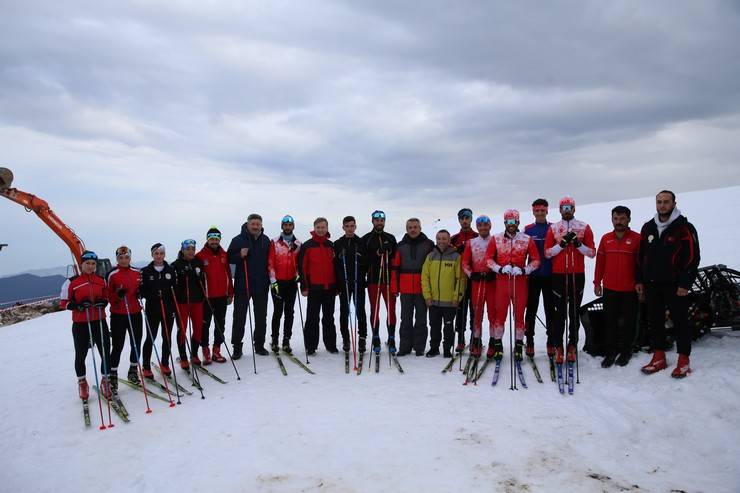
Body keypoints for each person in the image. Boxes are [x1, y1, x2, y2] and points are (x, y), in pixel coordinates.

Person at [636, 190, 700, 378]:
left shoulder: (684, 228)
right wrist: (640, 279)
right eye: (659, 202)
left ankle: (683, 359)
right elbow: (641, 257)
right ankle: (659, 356)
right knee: (655, 321)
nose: (662, 205)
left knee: (680, 321)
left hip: (675, 285)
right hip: (652, 284)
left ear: (673, 203)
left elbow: (692, 258)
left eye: (666, 202)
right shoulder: (648, 227)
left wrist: (685, 283)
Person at [544, 196, 596, 365]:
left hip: (577, 274)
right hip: (558, 275)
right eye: (564, 208)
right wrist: (561, 245)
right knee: (559, 314)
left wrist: (578, 244)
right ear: (559, 210)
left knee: (573, 312)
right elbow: (547, 253)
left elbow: (591, 253)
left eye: (569, 208)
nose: (567, 211)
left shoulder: (583, 227)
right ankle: (559, 347)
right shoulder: (554, 228)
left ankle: (572, 346)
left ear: (574, 209)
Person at [486, 210, 540, 362]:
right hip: (502, 283)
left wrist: (524, 270)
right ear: (505, 222)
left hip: (520, 283)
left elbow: (536, 260)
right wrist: (500, 268)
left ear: (518, 222)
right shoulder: (496, 239)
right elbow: (488, 259)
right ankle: (498, 345)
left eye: (514, 221)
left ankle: (518, 346)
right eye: (508, 222)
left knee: (519, 317)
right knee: (500, 316)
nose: (511, 224)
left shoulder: (527, 239)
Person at [593, 206, 641, 368]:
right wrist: (596, 282)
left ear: (628, 219)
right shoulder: (606, 239)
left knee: (629, 322)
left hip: (630, 289)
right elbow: (600, 263)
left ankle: (626, 351)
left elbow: (642, 265)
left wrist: (641, 285)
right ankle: (611, 352)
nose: (618, 222)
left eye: (622, 218)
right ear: (612, 219)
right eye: (616, 218)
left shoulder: (637, 239)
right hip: (610, 288)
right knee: (610, 322)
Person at [60, 250, 111, 400]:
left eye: (93, 264)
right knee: (81, 354)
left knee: (105, 351)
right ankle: (82, 383)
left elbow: (106, 296)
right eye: (87, 263)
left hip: (99, 321)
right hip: (81, 323)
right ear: (81, 264)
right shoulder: (71, 282)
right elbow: (64, 302)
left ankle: (105, 381)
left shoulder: (101, 280)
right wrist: (77, 305)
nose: (90, 266)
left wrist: (104, 301)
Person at [227, 213, 272, 358]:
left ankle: (259, 345)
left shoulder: (265, 241)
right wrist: (240, 255)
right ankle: (237, 347)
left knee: (261, 317)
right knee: (239, 318)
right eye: (253, 224)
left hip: (261, 285)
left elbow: (270, 261)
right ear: (248, 224)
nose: (255, 226)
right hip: (243, 284)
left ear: (261, 225)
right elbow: (229, 258)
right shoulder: (238, 240)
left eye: (258, 224)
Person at [392, 218, 434, 356]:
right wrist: (394, 287)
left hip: (422, 288)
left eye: (415, 227)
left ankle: (419, 346)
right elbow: (395, 268)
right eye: (410, 227)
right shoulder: (400, 246)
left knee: (421, 319)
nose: (413, 229)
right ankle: (405, 347)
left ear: (420, 228)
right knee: (406, 319)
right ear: (406, 229)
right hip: (405, 289)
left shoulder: (429, 245)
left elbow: (433, 268)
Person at [421, 230, 465, 357]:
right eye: (439, 238)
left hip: (450, 301)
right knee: (434, 326)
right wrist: (427, 296)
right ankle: (434, 348)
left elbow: (461, 279)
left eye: (444, 238)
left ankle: (447, 348)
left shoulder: (456, 257)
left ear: (449, 240)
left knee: (448, 327)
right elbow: (425, 278)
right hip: (433, 301)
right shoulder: (430, 256)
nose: (441, 241)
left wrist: (457, 297)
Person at [298, 217, 338, 354]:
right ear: (314, 228)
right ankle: (310, 346)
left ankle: (330, 345)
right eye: (318, 227)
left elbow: (336, 267)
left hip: (330, 288)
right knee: (312, 318)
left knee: (328, 317)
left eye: (323, 227)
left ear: (327, 228)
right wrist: (304, 286)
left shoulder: (331, 245)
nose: (321, 230)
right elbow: (301, 267)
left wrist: (337, 286)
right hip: (314, 287)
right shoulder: (307, 246)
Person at [106, 246, 143, 391]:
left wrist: (141, 293)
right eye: (120, 258)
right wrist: (117, 295)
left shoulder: (137, 272)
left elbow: (142, 288)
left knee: (136, 342)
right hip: (118, 314)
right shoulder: (112, 274)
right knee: (118, 345)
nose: (123, 260)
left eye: (126, 257)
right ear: (117, 259)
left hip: (135, 313)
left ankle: (133, 371)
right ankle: (113, 374)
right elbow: (108, 295)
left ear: (130, 258)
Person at [361, 210, 399, 355]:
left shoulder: (391, 238)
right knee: (374, 310)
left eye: (382, 220)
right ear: (372, 221)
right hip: (373, 280)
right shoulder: (366, 239)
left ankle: (391, 337)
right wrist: (377, 254)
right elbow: (362, 260)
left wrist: (390, 252)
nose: (379, 223)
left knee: (391, 310)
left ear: (384, 222)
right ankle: (375, 337)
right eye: (377, 220)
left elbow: (396, 258)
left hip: (389, 280)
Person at [196, 227, 234, 364]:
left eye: (216, 239)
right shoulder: (200, 256)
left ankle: (216, 350)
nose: (214, 241)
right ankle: (205, 351)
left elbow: (229, 275)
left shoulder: (224, 254)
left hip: (222, 296)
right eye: (211, 239)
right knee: (204, 325)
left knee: (220, 324)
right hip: (206, 297)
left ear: (219, 240)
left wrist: (230, 293)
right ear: (207, 239)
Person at [461, 215, 496, 357]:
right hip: (477, 282)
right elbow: (464, 263)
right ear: (477, 227)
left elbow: (499, 260)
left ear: (490, 226)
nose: (483, 228)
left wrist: (494, 272)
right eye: (480, 226)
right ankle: (476, 341)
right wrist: (471, 274)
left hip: (491, 282)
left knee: (492, 314)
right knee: (477, 314)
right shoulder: (471, 243)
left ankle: (494, 342)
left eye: (486, 225)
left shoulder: (495, 240)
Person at [140, 243, 177, 378]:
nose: (159, 256)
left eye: (161, 253)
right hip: (152, 309)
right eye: (156, 253)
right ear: (152, 255)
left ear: (164, 254)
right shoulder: (146, 271)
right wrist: (151, 295)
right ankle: (146, 366)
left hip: (168, 308)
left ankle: (165, 363)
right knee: (151, 337)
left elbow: (175, 287)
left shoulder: (171, 269)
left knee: (166, 337)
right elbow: (142, 291)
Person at [524, 199, 555, 358]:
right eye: (537, 210)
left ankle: (551, 341)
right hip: (533, 277)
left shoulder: (554, 228)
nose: (540, 213)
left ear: (547, 211)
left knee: (550, 310)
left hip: (550, 276)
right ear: (533, 211)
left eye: (542, 210)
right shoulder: (528, 230)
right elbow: (523, 252)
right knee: (531, 310)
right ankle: (529, 341)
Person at [334, 215, 368, 354]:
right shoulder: (338, 243)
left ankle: (362, 338)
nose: (350, 229)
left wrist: (361, 262)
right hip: (344, 283)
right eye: (347, 226)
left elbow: (367, 263)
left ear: (355, 226)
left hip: (358, 282)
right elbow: (335, 265)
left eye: (352, 226)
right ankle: (346, 338)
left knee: (360, 310)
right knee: (344, 311)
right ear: (343, 227)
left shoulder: (361, 242)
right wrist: (339, 281)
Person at [268, 215, 301, 353]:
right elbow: (270, 263)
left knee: (290, 312)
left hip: (291, 283)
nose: (288, 227)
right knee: (277, 312)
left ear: (293, 226)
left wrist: (298, 275)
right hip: (278, 282)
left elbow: (299, 263)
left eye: (290, 225)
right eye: (285, 225)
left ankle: (286, 341)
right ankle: (274, 340)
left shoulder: (298, 244)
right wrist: (273, 282)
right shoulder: (274, 242)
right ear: (282, 226)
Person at [171, 239, 206, 369]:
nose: (191, 251)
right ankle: (183, 356)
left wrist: (203, 294)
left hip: (197, 301)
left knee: (198, 328)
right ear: (182, 250)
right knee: (182, 329)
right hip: (182, 302)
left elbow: (203, 280)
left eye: (192, 249)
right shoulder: (175, 265)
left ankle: (194, 354)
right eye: (188, 249)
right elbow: (173, 286)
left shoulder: (198, 262)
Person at [450, 208, 478, 351]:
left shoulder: (477, 236)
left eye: (467, 218)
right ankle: (460, 339)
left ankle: (475, 339)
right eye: (462, 218)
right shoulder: (454, 238)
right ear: (459, 220)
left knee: (474, 311)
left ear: (471, 219)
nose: (464, 220)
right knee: (460, 312)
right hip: (460, 279)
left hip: (474, 279)